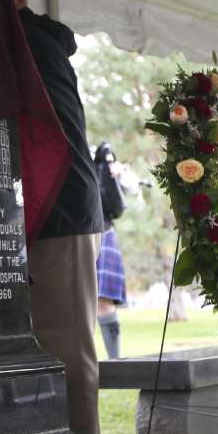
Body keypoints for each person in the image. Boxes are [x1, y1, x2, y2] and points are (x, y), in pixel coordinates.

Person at [7, 0, 105, 434]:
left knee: (68, 349)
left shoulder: (24, 40)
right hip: (54, 207)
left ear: (11, 0)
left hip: (61, 208)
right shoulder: (33, 39)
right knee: (53, 345)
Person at [93, 142, 128, 359]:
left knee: (104, 302)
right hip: (76, 234)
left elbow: (129, 192)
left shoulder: (105, 159)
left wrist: (119, 172)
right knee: (78, 303)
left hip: (103, 231)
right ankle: (82, 364)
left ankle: (115, 361)